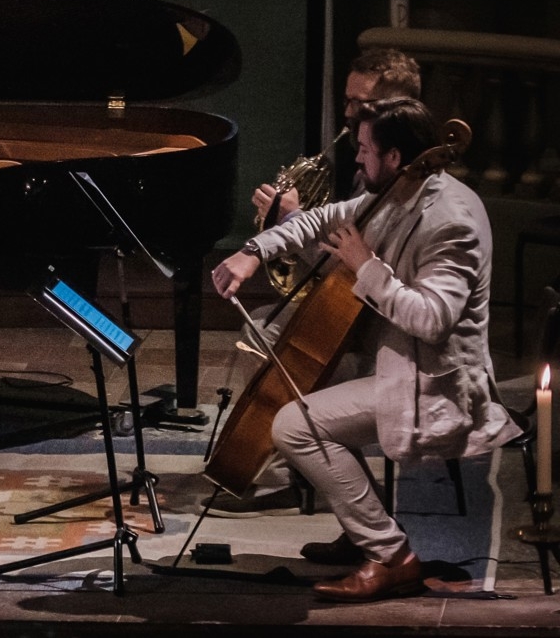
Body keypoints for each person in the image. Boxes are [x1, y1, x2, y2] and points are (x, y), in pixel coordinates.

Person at [210, 97, 522, 602]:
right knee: (304, 376)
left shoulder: (452, 221)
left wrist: (364, 263)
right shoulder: (398, 191)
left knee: (294, 424)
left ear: (396, 157)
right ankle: (362, 534)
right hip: (395, 362)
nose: (356, 160)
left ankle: (391, 556)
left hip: (438, 383)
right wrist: (252, 252)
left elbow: (433, 320)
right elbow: (320, 219)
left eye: (365, 150)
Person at [253, 48, 421, 227]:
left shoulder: (400, 178)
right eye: (347, 101)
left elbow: (351, 249)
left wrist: (291, 217)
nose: (348, 112)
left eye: (359, 103)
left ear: (395, 107)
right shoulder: (364, 168)